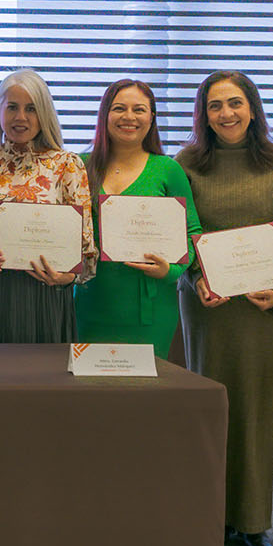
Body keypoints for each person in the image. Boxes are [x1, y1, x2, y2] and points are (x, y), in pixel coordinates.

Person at [177, 70, 273, 546]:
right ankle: (210, 518)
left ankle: (253, 522)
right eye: (215, 105)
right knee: (211, 409)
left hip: (261, 307)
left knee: (255, 409)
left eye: (235, 103)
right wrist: (196, 277)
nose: (226, 114)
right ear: (203, 113)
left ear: (252, 107)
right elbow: (182, 233)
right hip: (209, 303)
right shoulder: (186, 162)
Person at [0, 69, 97, 343]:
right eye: (12, 107)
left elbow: (85, 248)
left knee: (47, 382)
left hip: (46, 293)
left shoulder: (68, 165)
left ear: (44, 113)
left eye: (31, 108)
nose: (21, 117)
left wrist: (65, 278)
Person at [74, 79, 201, 357]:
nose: (129, 117)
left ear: (151, 117)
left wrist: (171, 271)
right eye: (119, 108)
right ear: (105, 114)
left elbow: (193, 233)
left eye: (139, 109)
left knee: (145, 395)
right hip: (89, 301)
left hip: (150, 306)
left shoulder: (168, 169)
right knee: (87, 392)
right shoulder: (79, 166)